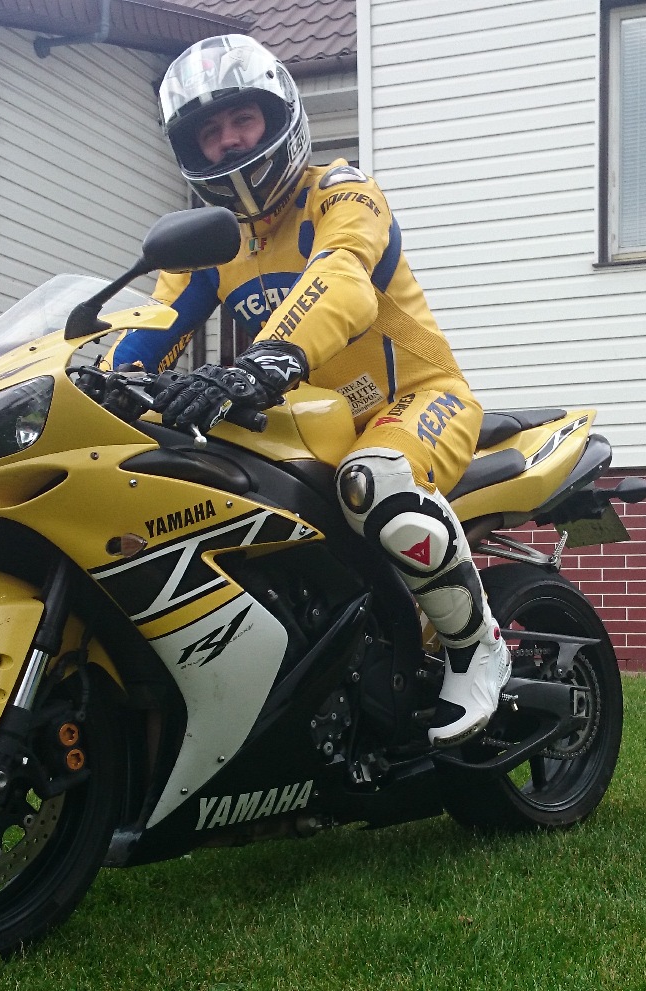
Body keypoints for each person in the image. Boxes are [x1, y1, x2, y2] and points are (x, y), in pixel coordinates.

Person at [109, 35, 508, 746]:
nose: (230, 140)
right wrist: (105, 380)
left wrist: (265, 360)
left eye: (242, 119)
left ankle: (476, 647)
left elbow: (343, 275)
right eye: (210, 131)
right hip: (307, 421)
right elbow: (158, 319)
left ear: (279, 116)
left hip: (416, 399)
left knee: (373, 481)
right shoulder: (215, 240)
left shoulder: (341, 192)